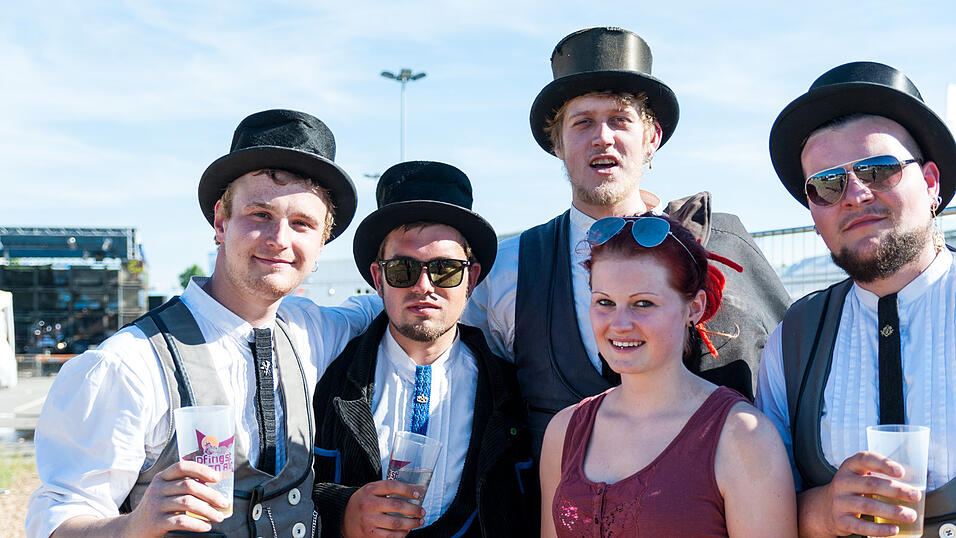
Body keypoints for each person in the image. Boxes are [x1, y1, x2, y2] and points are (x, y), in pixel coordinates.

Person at [26, 109, 380, 538]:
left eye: (302, 224)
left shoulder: (310, 330)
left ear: (321, 243)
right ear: (220, 221)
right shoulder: (129, 364)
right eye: (260, 214)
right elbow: (59, 520)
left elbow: (385, 309)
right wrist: (132, 526)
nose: (280, 240)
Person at [463, 26, 790, 454]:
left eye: (620, 119)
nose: (603, 137)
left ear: (651, 138)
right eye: (582, 123)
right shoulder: (509, 271)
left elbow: (790, 378)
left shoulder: (724, 246)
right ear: (557, 144)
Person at [758, 61, 956, 537]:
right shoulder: (793, 339)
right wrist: (822, 511)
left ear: (931, 183)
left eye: (879, 169)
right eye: (827, 184)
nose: (854, 193)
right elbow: (761, 510)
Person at [311, 161, 537, 538]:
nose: (424, 286)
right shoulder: (325, 376)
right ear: (378, 278)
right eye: (402, 269)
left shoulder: (513, 391)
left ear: (472, 278)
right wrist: (343, 513)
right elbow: (282, 489)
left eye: (445, 269)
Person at [539, 214, 796, 537]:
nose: (619, 324)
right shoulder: (564, 432)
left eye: (643, 303)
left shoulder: (743, 437)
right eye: (605, 302)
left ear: (695, 308)